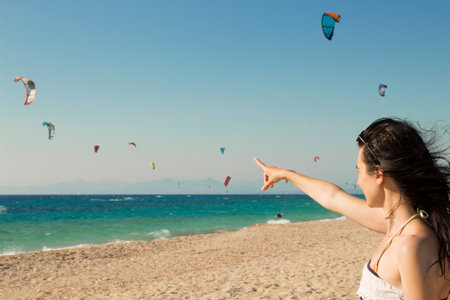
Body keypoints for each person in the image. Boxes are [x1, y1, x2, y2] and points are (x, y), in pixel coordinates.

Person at [254, 118, 450, 299]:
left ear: (378, 174)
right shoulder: (398, 225)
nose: (358, 181)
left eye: (359, 171)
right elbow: (333, 197)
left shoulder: (411, 246)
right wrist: (286, 174)